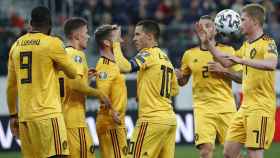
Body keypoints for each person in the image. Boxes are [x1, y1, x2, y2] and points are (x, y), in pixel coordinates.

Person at [196, 3, 278, 158]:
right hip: (245, 107)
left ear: (254, 21)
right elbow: (226, 62)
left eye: (243, 19)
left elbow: (271, 64)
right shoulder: (246, 45)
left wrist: (242, 60)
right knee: (229, 152)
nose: (239, 23)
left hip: (261, 107)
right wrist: (208, 44)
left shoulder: (267, 42)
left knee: (254, 153)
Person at [6, 6, 77, 158]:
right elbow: (72, 73)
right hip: (48, 116)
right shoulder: (52, 43)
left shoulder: (16, 46)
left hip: (25, 119)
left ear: (30, 23)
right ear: (50, 26)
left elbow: (11, 86)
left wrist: (13, 115)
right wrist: (59, 64)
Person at [176, 15, 242, 158]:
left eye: (208, 25)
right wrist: (177, 75)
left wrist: (224, 71)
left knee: (232, 154)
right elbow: (183, 82)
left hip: (226, 107)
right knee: (206, 150)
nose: (204, 29)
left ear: (216, 30)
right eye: (201, 26)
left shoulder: (228, 50)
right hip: (203, 108)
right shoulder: (189, 54)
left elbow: (241, 78)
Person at [112, 20, 179, 158]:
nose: (134, 38)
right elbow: (174, 90)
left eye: (137, 34)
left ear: (149, 36)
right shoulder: (166, 58)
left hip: (151, 120)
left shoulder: (148, 54)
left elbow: (124, 67)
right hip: (169, 120)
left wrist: (116, 43)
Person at [59, 17, 111, 158]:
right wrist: (99, 93)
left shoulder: (63, 54)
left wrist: (86, 80)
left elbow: (71, 85)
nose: (88, 36)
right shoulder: (76, 55)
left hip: (64, 119)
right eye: (85, 32)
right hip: (75, 121)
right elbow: (76, 85)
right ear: (76, 35)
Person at [93, 24, 128, 158]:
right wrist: (113, 111)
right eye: (118, 38)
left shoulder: (113, 64)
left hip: (116, 121)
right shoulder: (104, 65)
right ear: (107, 43)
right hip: (110, 122)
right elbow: (102, 93)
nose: (122, 41)